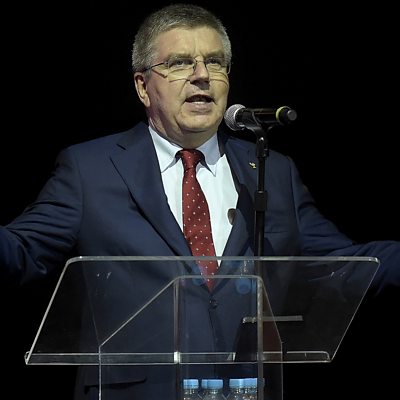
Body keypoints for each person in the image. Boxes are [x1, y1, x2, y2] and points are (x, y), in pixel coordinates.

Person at [1, 3, 399, 400]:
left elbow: (348, 266)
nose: (201, 75)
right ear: (143, 86)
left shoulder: (271, 171)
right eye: (179, 63)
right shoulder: (89, 170)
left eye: (214, 62)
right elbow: (21, 252)